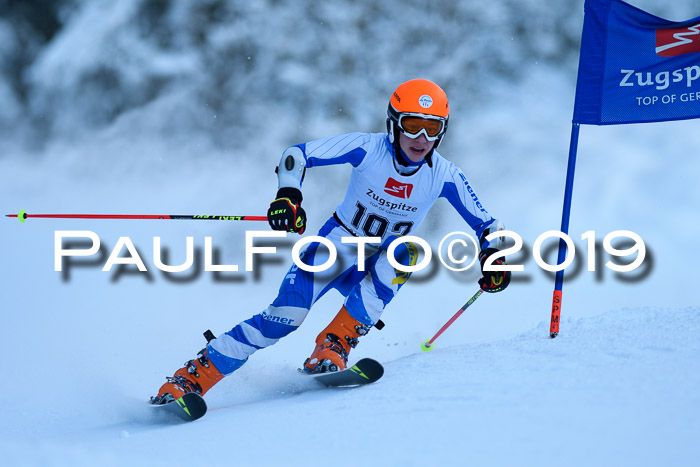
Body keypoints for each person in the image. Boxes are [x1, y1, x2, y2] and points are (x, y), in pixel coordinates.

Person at [151, 79, 511, 404]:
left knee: (407, 251)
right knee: (283, 320)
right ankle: (190, 379)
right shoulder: (368, 149)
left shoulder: (445, 175)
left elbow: (489, 225)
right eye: (412, 125)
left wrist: (494, 257)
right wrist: (288, 195)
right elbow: (295, 155)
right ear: (393, 123)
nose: (421, 139)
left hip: (378, 260)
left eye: (432, 129)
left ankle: (333, 346)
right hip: (334, 248)